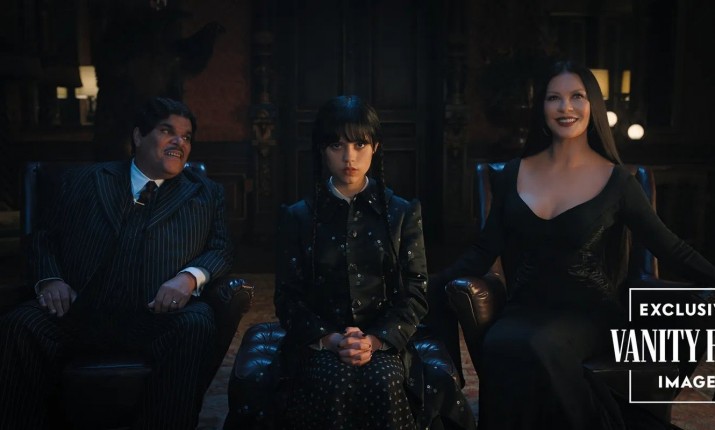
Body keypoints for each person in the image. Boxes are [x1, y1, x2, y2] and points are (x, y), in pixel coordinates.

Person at [426, 60, 715, 429]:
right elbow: (483, 250)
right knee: (500, 343)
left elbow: (671, 248)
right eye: (554, 98)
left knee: (540, 344)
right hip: (525, 309)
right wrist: (429, 283)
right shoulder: (513, 174)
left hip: (589, 314)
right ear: (541, 107)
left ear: (593, 105)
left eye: (577, 96)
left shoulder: (618, 182)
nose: (566, 107)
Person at [0, 97, 233, 429]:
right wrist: (50, 279)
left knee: (197, 322)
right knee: (19, 325)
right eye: (167, 131)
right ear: (138, 136)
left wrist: (189, 277)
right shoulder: (83, 180)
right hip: (77, 311)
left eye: (186, 136)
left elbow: (221, 249)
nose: (179, 143)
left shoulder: (205, 193)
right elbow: (42, 238)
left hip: (154, 316)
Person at [274, 95, 477, 429]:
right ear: (322, 150)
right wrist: (332, 340)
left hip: (386, 341)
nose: (349, 157)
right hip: (320, 342)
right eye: (337, 145)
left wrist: (374, 340)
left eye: (360, 144)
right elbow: (287, 297)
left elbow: (415, 292)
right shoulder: (298, 217)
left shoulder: (402, 212)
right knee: (331, 382)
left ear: (375, 147)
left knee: (384, 381)